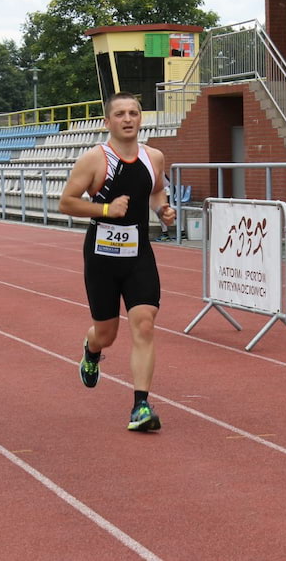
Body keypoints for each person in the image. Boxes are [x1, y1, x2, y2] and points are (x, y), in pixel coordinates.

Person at [59, 92, 176, 432]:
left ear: (141, 119)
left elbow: (155, 191)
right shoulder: (95, 160)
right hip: (102, 257)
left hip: (138, 253)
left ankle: (141, 405)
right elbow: (66, 203)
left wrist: (163, 210)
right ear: (107, 122)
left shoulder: (154, 157)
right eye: (121, 114)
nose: (128, 119)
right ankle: (92, 350)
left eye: (134, 113)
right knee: (107, 333)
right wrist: (106, 210)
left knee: (144, 322)